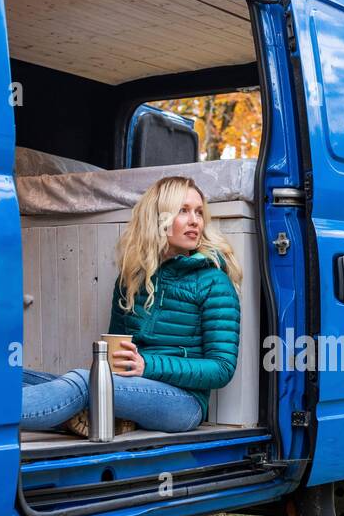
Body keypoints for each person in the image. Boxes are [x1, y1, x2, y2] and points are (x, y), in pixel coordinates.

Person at [20, 176, 242, 435]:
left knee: (84, 383)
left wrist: (147, 365)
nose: (195, 221)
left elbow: (222, 368)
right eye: (183, 211)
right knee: (17, 376)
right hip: (132, 388)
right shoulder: (132, 278)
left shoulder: (213, 281)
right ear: (158, 218)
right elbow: (117, 348)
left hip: (183, 403)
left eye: (199, 212)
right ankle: (96, 414)